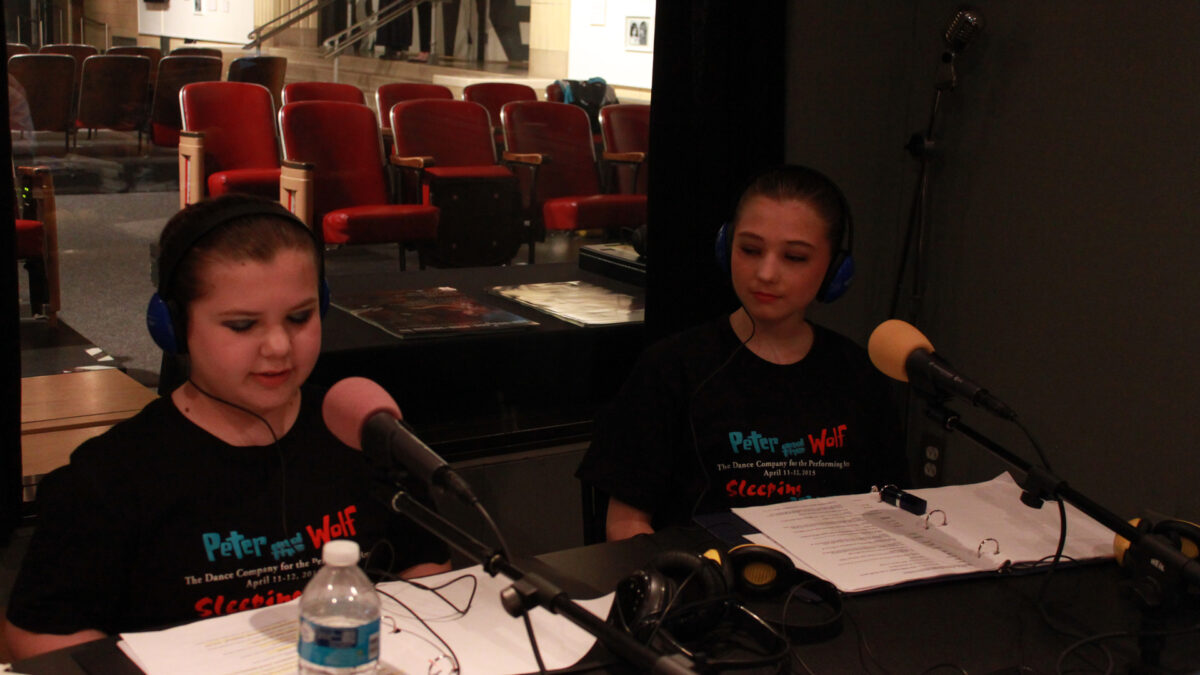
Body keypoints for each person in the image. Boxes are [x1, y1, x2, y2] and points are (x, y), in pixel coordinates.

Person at [4, 195, 450, 660]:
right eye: (242, 325)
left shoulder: (361, 431)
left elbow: (428, 563)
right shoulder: (110, 478)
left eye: (300, 317)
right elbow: (38, 640)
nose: (278, 346)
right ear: (173, 327)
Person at [576, 165, 908, 541]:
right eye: (750, 249)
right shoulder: (670, 368)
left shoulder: (858, 374)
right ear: (725, 247)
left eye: (794, 257)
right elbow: (624, 525)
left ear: (834, 270)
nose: (766, 273)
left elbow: (890, 513)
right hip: (706, 586)